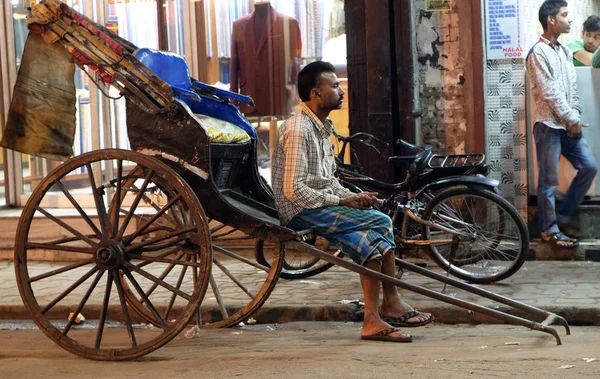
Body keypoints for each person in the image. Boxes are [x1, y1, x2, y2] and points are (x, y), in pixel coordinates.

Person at [271, 61, 434, 342]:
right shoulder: (300, 130)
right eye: (334, 86)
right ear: (315, 94)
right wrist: (342, 202)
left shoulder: (322, 127)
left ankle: (378, 315)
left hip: (317, 202)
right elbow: (293, 190)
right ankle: (387, 305)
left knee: (368, 238)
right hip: (299, 209)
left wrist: (352, 196)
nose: (341, 90)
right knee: (381, 221)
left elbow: (327, 179)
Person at [526, 0, 597, 248]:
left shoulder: (565, 51)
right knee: (548, 182)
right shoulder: (537, 52)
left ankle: (564, 215)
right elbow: (549, 92)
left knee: (589, 167)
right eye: (565, 15)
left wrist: (573, 115)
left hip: (568, 125)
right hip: (548, 126)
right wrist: (572, 118)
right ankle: (549, 230)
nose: (570, 20)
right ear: (551, 20)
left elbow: (571, 90)